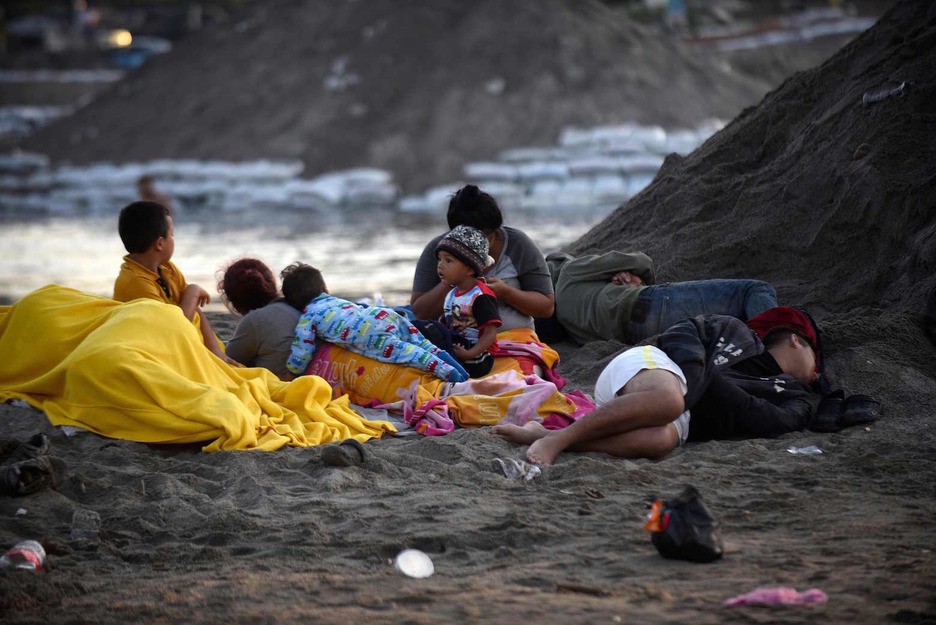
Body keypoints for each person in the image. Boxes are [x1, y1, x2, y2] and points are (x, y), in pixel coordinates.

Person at [493, 312, 822, 466]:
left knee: (662, 440)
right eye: (815, 356)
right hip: (651, 370)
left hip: (679, 417)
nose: (817, 371)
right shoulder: (737, 332)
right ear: (797, 340)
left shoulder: (798, 396)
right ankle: (559, 439)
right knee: (670, 400)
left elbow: (773, 422)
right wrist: (700, 383)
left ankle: (547, 437)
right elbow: (681, 333)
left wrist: (704, 384)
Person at [281, 262, 467, 382]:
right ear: (325, 288)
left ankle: (454, 377)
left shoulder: (307, 317)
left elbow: (302, 351)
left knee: (413, 355)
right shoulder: (337, 301)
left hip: (370, 334)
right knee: (424, 344)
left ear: (295, 304)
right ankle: (462, 371)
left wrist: (291, 373)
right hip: (384, 315)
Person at [544, 250, 778, 345]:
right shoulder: (569, 271)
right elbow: (643, 261)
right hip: (649, 303)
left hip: (640, 334)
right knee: (754, 290)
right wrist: (638, 280)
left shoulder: (569, 327)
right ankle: (778, 346)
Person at [411, 185, 554, 332]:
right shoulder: (440, 250)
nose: (474, 247)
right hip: (459, 344)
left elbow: (546, 307)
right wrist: (454, 277)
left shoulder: (518, 245)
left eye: (481, 240)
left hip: (516, 340)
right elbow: (420, 312)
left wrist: (506, 293)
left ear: (493, 235)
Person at [113, 200, 231, 363]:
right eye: (172, 235)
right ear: (160, 243)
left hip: (189, 345)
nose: (173, 240)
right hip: (160, 354)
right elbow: (172, 329)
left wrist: (217, 351)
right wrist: (193, 290)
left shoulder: (167, 268)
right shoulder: (135, 282)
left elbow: (194, 310)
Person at [429, 225, 502, 378]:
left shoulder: (480, 296)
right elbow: (448, 320)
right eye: (440, 259)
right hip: (458, 343)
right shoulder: (451, 294)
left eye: (448, 260)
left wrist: (470, 353)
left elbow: (490, 333)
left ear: (470, 269)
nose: (440, 265)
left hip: (479, 356)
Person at [217, 258, 300, 380]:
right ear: (272, 283)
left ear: (234, 301)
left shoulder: (253, 321)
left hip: (281, 387)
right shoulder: (296, 305)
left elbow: (226, 359)